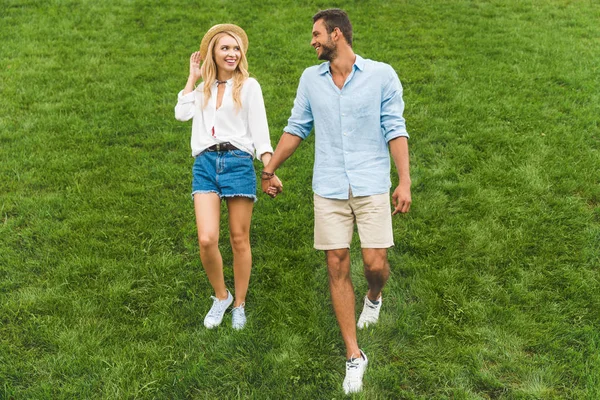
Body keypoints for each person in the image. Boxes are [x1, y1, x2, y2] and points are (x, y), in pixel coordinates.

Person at [261, 9, 411, 394]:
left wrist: (404, 181)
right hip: (327, 186)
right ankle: (353, 356)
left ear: (337, 35)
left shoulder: (381, 75)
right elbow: (297, 127)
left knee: (375, 265)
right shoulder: (311, 80)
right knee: (336, 263)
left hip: (371, 183)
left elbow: (395, 129)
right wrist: (269, 169)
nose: (312, 41)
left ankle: (373, 297)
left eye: (316, 35)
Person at [175, 24, 279, 330]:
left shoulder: (249, 86)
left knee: (238, 239)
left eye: (236, 48)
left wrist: (268, 170)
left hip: (238, 163)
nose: (232, 53)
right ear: (213, 53)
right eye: (225, 48)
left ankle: (239, 304)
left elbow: (261, 134)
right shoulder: (201, 89)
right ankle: (221, 296)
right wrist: (192, 77)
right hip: (205, 164)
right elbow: (181, 114)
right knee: (207, 239)